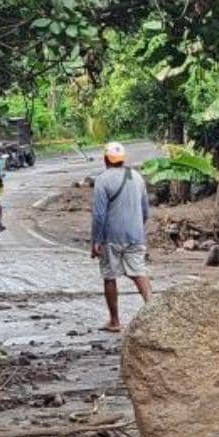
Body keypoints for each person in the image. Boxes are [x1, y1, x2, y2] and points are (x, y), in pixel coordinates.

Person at [91, 141, 151, 332]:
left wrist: (96, 241)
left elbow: (99, 215)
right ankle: (154, 313)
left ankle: (115, 321)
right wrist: (137, 227)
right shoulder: (137, 177)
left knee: (109, 276)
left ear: (105, 159)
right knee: (139, 273)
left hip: (111, 237)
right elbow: (145, 210)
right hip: (135, 235)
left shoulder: (102, 180)